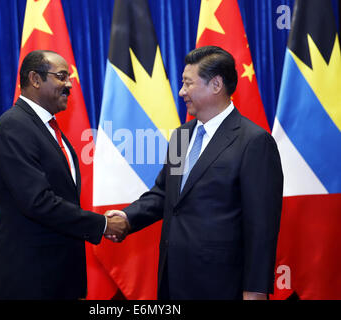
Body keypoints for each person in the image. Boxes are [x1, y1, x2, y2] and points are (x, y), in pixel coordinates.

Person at [106, 46, 283, 300]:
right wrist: (126, 217)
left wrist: (255, 290)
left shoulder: (254, 141)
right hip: (173, 279)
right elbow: (164, 195)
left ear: (216, 85)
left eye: (188, 84)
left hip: (222, 284)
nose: (181, 92)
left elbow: (262, 225)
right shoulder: (181, 136)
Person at [0, 50, 129, 299]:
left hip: (59, 278)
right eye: (62, 76)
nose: (68, 85)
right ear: (35, 79)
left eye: (69, 79)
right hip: (29, 280)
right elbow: (38, 202)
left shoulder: (50, 130)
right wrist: (103, 224)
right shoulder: (14, 126)